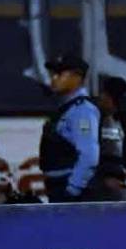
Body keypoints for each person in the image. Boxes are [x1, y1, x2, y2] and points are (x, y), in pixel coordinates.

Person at [39, 53, 101, 204]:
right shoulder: (66, 108)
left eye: (59, 74)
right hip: (59, 187)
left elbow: (89, 155)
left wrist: (72, 190)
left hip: (71, 192)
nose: (53, 79)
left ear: (77, 77)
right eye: (53, 74)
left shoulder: (82, 111)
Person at [93, 77, 126, 201]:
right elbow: (83, 157)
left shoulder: (125, 125)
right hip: (91, 186)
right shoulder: (89, 121)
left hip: (117, 184)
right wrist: (100, 180)